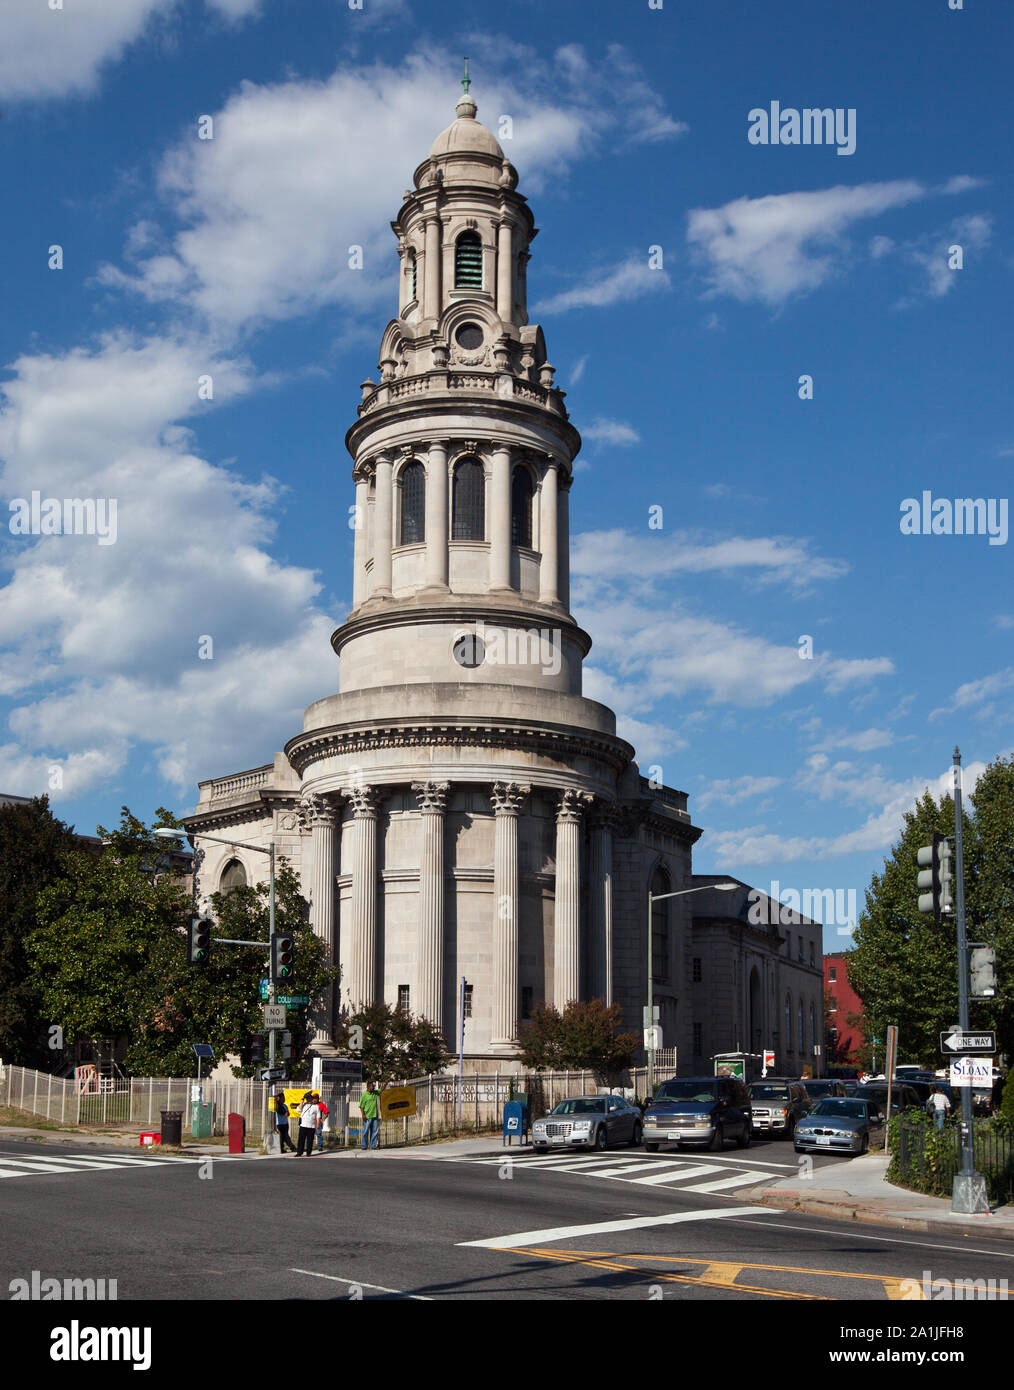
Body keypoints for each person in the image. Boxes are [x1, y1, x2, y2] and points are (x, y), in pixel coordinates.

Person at [297, 1092, 319, 1156]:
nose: (308, 1099)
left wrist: (317, 1124)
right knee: (301, 1140)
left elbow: (318, 1116)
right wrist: (302, 1101)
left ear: (311, 1098)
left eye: (309, 1098)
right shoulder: (303, 1104)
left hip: (311, 1126)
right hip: (303, 1125)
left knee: (310, 1140)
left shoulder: (316, 1106)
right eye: (307, 1098)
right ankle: (299, 1152)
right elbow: (298, 1110)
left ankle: (308, 1152)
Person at [360, 1081, 381, 1150]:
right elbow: (361, 1106)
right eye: (372, 1086)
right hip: (367, 1116)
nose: (374, 1087)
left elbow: (382, 1090)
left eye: (374, 1086)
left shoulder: (375, 1093)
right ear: (368, 1087)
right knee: (365, 1131)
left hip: (374, 1116)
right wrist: (363, 1115)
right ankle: (364, 1146)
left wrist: (386, 1083)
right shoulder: (364, 1095)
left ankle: (373, 1145)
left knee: (374, 1131)